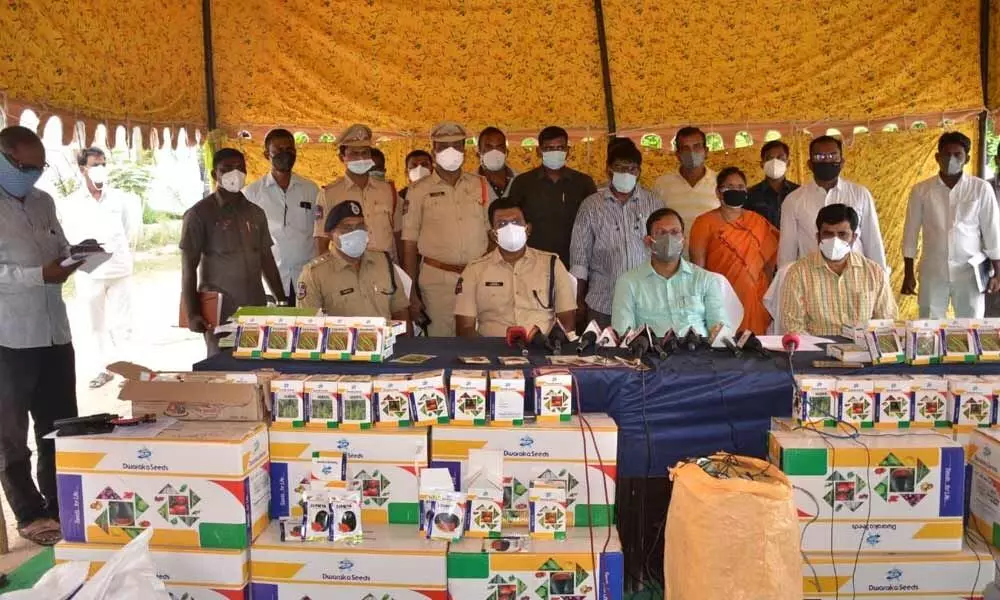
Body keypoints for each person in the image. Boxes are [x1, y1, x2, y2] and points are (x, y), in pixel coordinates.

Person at [0, 125, 82, 546]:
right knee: (10, 433)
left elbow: (59, 248)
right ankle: (30, 513)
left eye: (39, 167)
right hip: (10, 336)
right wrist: (39, 276)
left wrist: (75, 258)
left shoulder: (43, 201)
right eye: (24, 166)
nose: (32, 174)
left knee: (60, 425)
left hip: (54, 331)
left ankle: (60, 502)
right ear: (4, 157)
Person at [180, 148, 287, 356]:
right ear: (215, 175)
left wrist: (282, 300)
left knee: (256, 365)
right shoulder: (199, 214)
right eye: (226, 169)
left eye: (239, 168)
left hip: (255, 308)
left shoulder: (256, 213)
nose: (234, 173)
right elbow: (188, 269)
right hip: (220, 312)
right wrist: (192, 313)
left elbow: (267, 260)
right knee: (220, 369)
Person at [57, 147, 141, 389]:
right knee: (95, 324)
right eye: (95, 164)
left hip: (119, 269)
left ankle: (127, 370)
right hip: (89, 271)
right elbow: (68, 237)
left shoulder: (119, 199)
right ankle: (102, 370)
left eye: (103, 163)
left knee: (123, 324)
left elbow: (127, 230)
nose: (100, 168)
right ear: (83, 169)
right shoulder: (71, 203)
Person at [401, 122, 490, 336]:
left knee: (481, 341)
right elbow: (409, 244)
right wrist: (411, 294)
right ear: (433, 151)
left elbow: (491, 233)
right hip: (437, 281)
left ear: (465, 150)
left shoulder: (480, 184)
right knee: (441, 342)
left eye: (457, 145)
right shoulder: (417, 191)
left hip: (477, 276)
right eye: (443, 147)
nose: (451, 151)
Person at [901, 132, 1000, 318]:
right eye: (946, 154)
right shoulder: (921, 190)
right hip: (933, 270)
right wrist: (908, 273)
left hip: (970, 271)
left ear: (967, 158)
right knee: (929, 326)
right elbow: (910, 233)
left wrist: (998, 274)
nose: (951, 159)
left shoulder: (980, 188)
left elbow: (992, 232)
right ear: (937, 157)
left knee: (971, 325)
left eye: (958, 155)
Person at [570, 139, 663, 329]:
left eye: (632, 169)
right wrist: (577, 300)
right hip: (603, 303)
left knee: (648, 355)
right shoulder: (591, 206)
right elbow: (579, 260)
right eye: (620, 168)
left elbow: (663, 252)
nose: (626, 173)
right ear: (609, 169)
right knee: (602, 356)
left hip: (647, 302)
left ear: (639, 172)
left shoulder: (654, 203)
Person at [455, 198, 576, 337]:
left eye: (516, 222)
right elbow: (464, 327)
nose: (510, 228)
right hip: (492, 349)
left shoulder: (552, 264)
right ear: (493, 234)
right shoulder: (474, 270)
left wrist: (551, 347)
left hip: (541, 349)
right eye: (502, 224)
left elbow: (567, 319)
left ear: (528, 228)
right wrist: (485, 353)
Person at [781, 204, 896, 336]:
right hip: (816, 350)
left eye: (842, 234)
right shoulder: (798, 273)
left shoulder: (874, 273)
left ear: (854, 238)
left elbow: (886, 321)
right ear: (818, 237)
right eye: (828, 234)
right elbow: (792, 326)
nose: (835, 240)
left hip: (863, 350)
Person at [611, 207, 729, 337]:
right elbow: (623, 334)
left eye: (674, 232)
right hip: (650, 355)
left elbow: (720, 329)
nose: (668, 238)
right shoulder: (628, 282)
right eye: (661, 232)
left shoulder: (705, 279)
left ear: (683, 240)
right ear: (648, 241)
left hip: (699, 354)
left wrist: (718, 334)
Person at [689, 167, 779, 334]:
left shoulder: (757, 221)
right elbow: (698, 269)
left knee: (755, 351)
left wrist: (761, 291)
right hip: (720, 299)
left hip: (755, 300)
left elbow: (769, 263)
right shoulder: (704, 223)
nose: (735, 191)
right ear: (718, 192)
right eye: (729, 187)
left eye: (740, 187)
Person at [778, 135, 886, 269]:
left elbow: (873, 242)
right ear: (810, 164)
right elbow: (787, 251)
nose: (826, 161)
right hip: (811, 279)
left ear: (842, 162)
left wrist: (882, 278)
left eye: (832, 156)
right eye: (819, 157)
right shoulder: (793, 200)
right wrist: (785, 281)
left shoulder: (860, 194)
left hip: (856, 277)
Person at [243, 128, 320, 305]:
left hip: (306, 278)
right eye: (278, 150)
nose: (285, 154)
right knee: (274, 332)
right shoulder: (252, 194)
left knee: (305, 331)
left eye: (290, 149)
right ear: (266, 155)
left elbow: (319, 234)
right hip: (271, 281)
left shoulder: (311, 190)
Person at [297, 200, 410, 321]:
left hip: (385, 339)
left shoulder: (383, 262)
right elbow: (307, 327)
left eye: (360, 226)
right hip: (342, 340)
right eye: (347, 227)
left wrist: (406, 340)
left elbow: (400, 311)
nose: (355, 233)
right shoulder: (314, 274)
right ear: (330, 235)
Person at [507, 126, 597, 267]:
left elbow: (595, 223)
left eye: (560, 148)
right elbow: (510, 219)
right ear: (539, 151)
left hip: (575, 262)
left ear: (568, 151)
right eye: (549, 148)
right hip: (532, 263)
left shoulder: (583, 183)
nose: (555, 152)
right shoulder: (523, 183)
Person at [314, 124, 400, 260]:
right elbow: (321, 242)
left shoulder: (387, 190)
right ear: (342, 157)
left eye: (365, 152)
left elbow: (397, 234)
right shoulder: (329, 194)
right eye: (354, 153)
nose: (361, 158)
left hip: (384, 269)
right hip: (349, 270)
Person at [652, 126, 719, 244]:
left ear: (706, 151)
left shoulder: (719, 182)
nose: (691, 153)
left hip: (712, 258)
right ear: (677, 154)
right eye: (685, 148)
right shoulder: (662, 184)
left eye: (697, 146)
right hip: (676, 259)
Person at [746, 139, 799, 229]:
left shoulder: (798, 192)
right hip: (763, 242)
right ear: (762, 164)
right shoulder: (750, 195)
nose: (775, 162)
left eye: (780, 158)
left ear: (788, 163)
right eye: (769, 158)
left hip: (793, 243)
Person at [477, 126, 517, 203]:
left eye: (499, 147)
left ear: (506, 152)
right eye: (489, 147)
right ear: (479, 153)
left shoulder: (520, 180)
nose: (494, 152)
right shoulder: (469, 183)